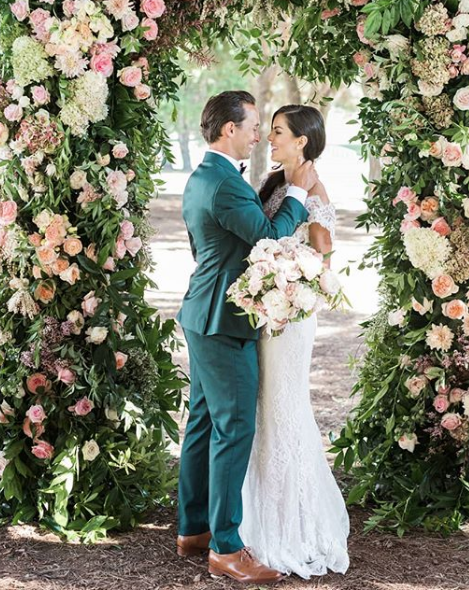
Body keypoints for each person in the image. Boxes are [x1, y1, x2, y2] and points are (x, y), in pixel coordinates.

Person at [176, 90, 318, 584]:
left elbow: (202, 248)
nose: (259, 134)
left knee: (202, 423)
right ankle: (226, 547)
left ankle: (193, 529)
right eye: (254, 125)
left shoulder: (202, 178)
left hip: (201, 314)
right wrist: (298, 194)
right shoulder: (225, 184)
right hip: (224, 322)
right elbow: (269, 235)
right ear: (228, 129)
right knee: (233, 429)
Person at [240, 104, 350, 579]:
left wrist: (286, 286)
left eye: (279, 132)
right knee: (265, 409)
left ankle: (293, 526)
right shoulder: (276, 186)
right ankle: (256, 518)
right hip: (267, 312)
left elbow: (321, 266)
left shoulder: (316, 194)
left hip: (291, 315)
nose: (270, 138)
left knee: (284, 408)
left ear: (302, 140)